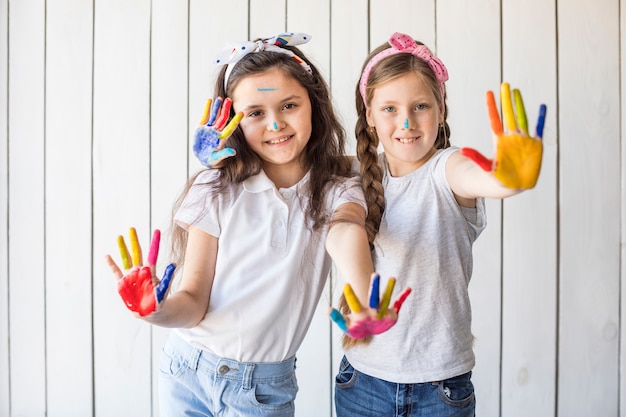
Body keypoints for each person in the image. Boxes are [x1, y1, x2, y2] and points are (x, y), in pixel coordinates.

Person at [105, 32, 403, 417]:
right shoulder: (215, 187)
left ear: (314, 105)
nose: (276, 123)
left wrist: (365, 297)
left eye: (289, 105)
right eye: (255, 113)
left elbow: (346, 231)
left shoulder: (335, 190)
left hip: (261, 391)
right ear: (231, 121)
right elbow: (193, 302)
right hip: (186, 371)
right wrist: (153, 311)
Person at [332, 32, 546, 417]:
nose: (407, 121)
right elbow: (295, 167)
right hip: (362, 382)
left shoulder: (447, 168)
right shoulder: (358, 175)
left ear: (441, 108)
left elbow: (477, 176)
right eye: (390, 109)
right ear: (369, 116)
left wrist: (509, 178)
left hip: (441, 389)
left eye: (420, 106)